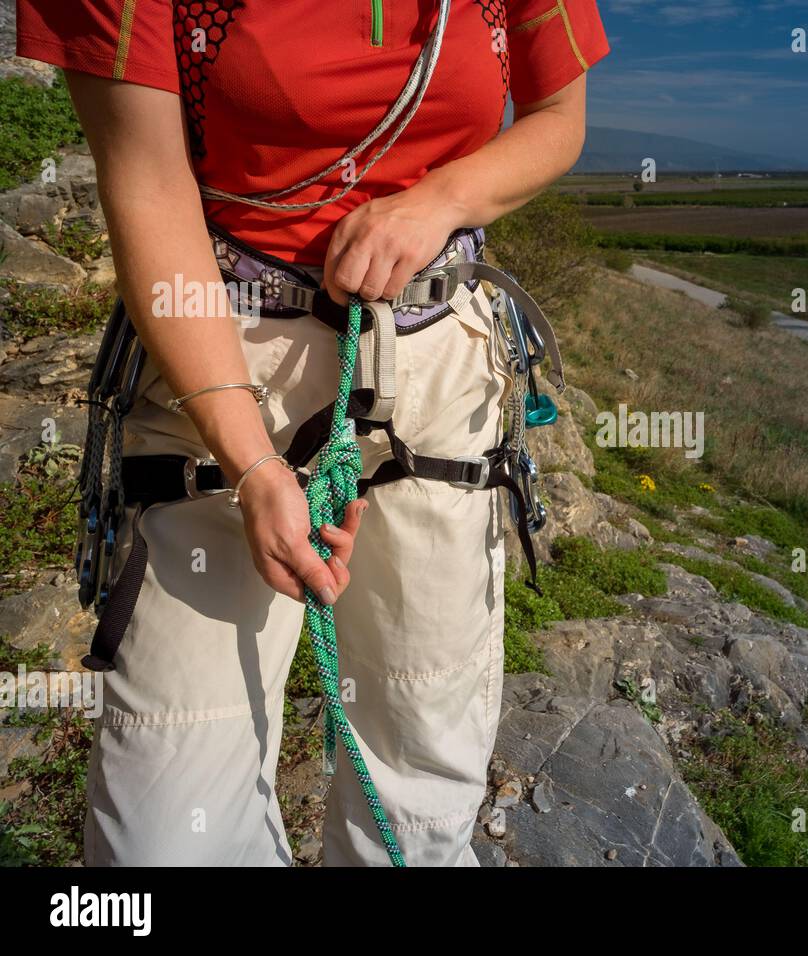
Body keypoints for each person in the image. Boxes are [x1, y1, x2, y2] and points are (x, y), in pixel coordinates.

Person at [15, 0, 609, 866]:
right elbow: (146, 178)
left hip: (440, 365)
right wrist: (251, 462)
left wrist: (435, 202)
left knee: (421, 755)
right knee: (160, 832)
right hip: (222, 354)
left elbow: (559, 118)